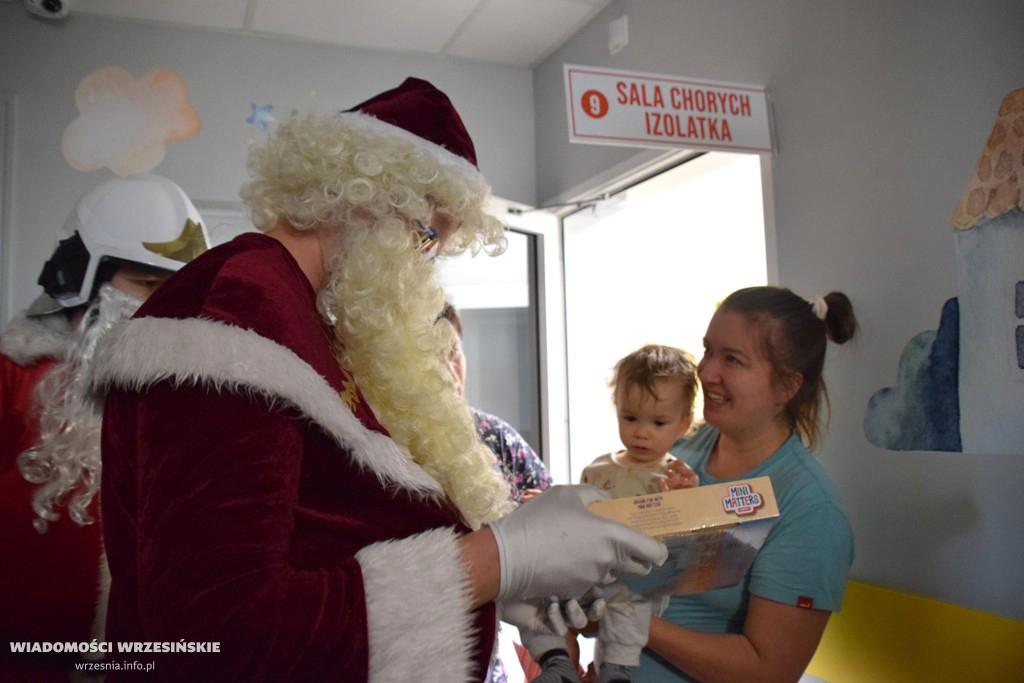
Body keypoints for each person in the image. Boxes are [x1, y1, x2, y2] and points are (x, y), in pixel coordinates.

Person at [89, 77, 667, 682]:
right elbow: (214, 632)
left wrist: (504, 582)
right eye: (427, 239)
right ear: (374, 197)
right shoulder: (233, 314)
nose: (425, 270)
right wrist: (495, 562)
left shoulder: (302, 316)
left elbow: (327, 532)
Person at [0, 173, 210, 680]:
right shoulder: (12, 376)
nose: (163, 305)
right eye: (145, 282)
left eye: (178, 287)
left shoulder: (196, 394)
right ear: (82, 278)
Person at [637, 286, 857, 682]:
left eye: (733, 360)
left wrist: (629, 625)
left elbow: (768, 671)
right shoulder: (680, 449)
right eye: (708, 350)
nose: (705, 372)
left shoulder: (809, 508)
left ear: (786, 387)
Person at [523, 344, 701, 683]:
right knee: (534, 584)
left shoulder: (676, 477)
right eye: (630, 417)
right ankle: (557, 660)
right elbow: (579, 521)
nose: (641, 432)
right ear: (616, 408)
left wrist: (684, 501)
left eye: (658, 422)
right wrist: (549, 505)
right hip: (590, 571)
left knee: (627, 600)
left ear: (683, 423)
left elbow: (689, 545)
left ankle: (616, 672)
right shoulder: (599, 468)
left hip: (638, 579)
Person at [440, 300, 552, 503]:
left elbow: (555, 510)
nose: (450, 374)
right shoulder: (384, 451)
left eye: (453, 352)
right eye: (432, 358)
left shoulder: (495, 435)